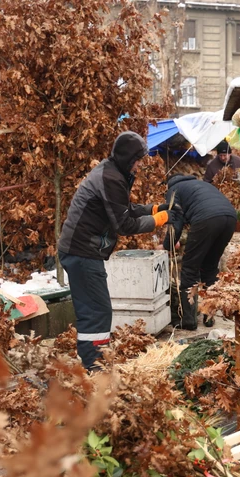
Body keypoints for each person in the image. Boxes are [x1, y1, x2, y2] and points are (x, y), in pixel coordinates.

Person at [58, 131, 181, 370]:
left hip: (83, 250)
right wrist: (160, 219)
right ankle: (94, 366)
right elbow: (124, 224)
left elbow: (123, 209)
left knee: (97, 309)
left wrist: (154, 208)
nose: (139, 164)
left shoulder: (112, 173)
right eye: (138, 159)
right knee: (96, 311)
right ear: (127, 158)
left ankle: (94, 362)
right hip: (81, 251)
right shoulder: (111, 178)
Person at [162, 174, 237, 330]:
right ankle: (210, 316)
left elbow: (176, 221)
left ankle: (188, 320)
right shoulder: (200, 185)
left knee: (190, 268)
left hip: (206, 219)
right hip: (230, 218)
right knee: (210, 267)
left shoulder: (173, 190)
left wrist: (167, 246)